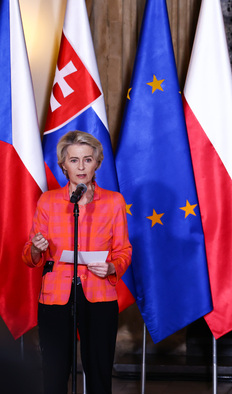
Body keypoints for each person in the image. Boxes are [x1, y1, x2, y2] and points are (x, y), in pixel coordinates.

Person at [22, 131, 132, 394]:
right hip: (56, 297)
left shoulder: (113, 202)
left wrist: (111, 267)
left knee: (99, 373)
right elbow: (29, 254)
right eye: (74, 160)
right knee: (55, 373)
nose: (81, 167)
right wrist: (37, 249)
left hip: (99, 296)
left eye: (87, 160)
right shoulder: (48, 201)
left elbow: (124, 250)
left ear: (98, 163)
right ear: (63, 165)